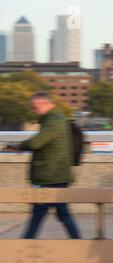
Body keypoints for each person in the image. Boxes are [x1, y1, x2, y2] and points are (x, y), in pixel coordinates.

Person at [7, 91, 81, 239]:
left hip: (50, 177)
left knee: (38, 215)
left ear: (43, 104)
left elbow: (37, 142)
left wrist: (18, 146)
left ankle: (25, 245)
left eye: (34, 107)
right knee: (62, 214)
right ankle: (78, 243)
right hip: (56, 176)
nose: (34, 111)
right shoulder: (55, 118)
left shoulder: (53, 120)